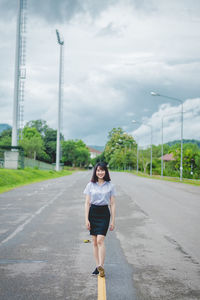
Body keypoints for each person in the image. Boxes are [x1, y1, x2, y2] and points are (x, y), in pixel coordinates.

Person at [84, 162, 116, 277]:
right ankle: (97, 266)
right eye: (98, 170)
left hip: (104, 214)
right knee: (94, 242)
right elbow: (87, 203)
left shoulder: (110, 185)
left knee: (100, 240)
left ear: (105, 171)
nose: (100, 172)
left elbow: (112, 204)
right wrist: (86, 219)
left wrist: (113, 221)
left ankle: (101, 266)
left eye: (102, 170)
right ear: (95, 172)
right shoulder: (90, 185)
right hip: (93, 213)